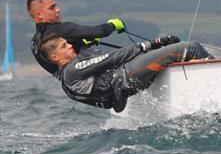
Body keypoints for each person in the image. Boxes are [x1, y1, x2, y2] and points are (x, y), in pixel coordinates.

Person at [40, 34, 211, 112]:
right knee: (190, 47)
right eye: (64, 46)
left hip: (126, 81)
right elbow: (111, 59)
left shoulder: (70, 73)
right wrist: (151, 44)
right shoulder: (71, 71)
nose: (70, 45)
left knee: (177, 53)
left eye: (67, 43)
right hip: (127, 77)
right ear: (55, 57)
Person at [27, 0, 127, 76]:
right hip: (96, 78)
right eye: (52, 8)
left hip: (74, 87)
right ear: (39, 14)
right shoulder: (62, 29)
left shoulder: (35, 42)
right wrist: (113, 24)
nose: (58, 10)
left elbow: (57, 58)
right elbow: (100, 31)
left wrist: (81, 43)